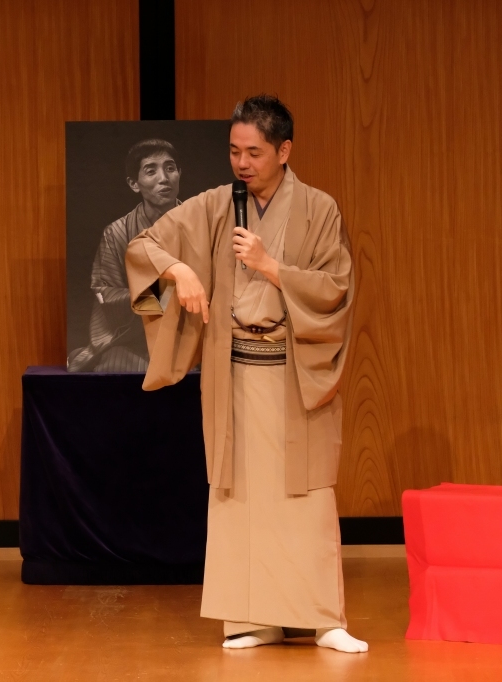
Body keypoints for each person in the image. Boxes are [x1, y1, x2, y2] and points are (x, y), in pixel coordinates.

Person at [125, 95, 367, 653]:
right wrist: (180, 268)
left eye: (254, 152)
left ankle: (322, 617)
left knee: (305, 497)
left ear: (284, 150)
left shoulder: (319, 209)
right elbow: (145, 245)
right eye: (234, 151)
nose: (241, 163)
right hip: (234, 374)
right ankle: (252, 618)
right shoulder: (214, 205)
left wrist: (270, 266)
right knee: (241, 498)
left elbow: (336, 289)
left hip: (295, 372)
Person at [68, 139, 181, 372]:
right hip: (133, 338)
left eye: (170, 168)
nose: (164, 178)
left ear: (180, 173)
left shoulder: (200, 224)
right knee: (116, 366)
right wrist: (165, 291)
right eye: (151, 171)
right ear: (134, 183)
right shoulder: (117, 232)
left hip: (189, 329)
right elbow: (105, 292)